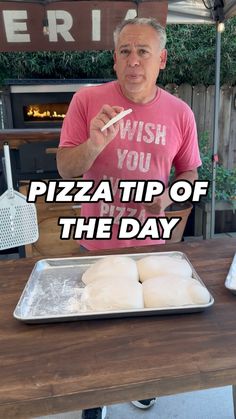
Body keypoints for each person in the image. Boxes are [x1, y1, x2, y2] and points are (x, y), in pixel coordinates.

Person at [57, 17, 201, 419]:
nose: (134, 61)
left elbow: (189, 171)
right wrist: (93, 144)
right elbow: (67, 169)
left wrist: (172, 194)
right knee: (94, 329)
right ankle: (94, 395)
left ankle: (142, 383)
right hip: (95, 239)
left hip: (149, 245)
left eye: (143, 52)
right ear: (114, 60)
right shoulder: (87, 102)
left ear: (162, 60)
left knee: (146, 332)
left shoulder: (180, 112)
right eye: (125, 51)